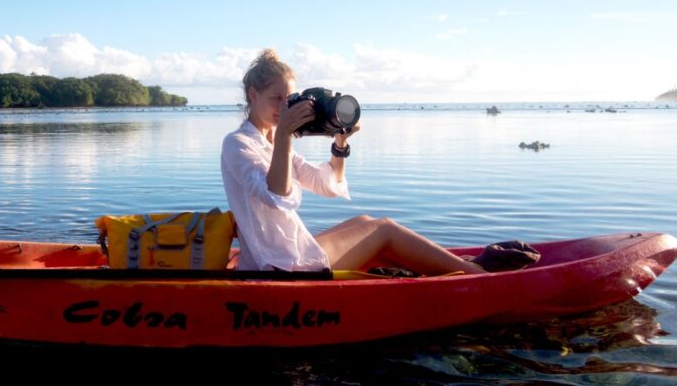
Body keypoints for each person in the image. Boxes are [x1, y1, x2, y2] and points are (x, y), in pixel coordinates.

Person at [221, 49, 536, 274]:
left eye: (288, 99)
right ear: (252, 95)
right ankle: (474, 276)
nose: (284, 107)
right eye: (276, 99)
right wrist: (288, 134)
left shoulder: (272, 142)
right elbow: (276, 196)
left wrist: (340, 144)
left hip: (283, 252)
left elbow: (324, 184)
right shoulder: (238, 144)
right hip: (279, 265)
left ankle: (442, 267)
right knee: (383, 229)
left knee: (364, 221)